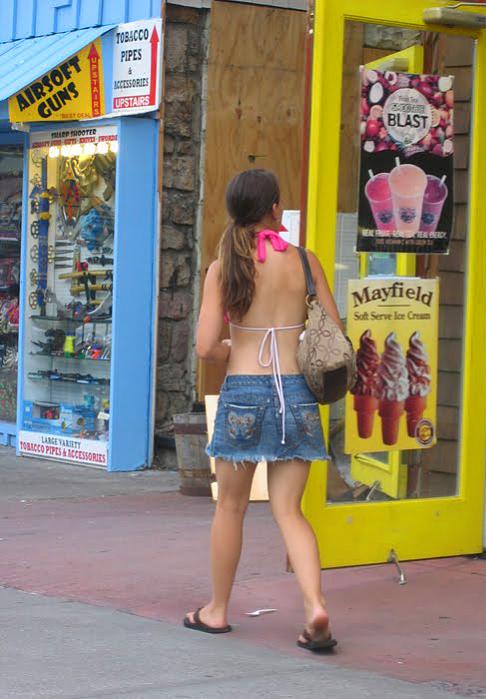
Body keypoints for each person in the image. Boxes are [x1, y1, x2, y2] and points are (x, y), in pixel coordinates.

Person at [183, 169, 345, 652]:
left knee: (230, 508)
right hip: (296, 392)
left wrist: (235, 346)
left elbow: (205, 346)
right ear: (274, 208)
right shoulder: (304, 261)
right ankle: (315, 605)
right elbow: (334, 333)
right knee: (290, 511)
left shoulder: (224, 267)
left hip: (243, 391)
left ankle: (216, 610)